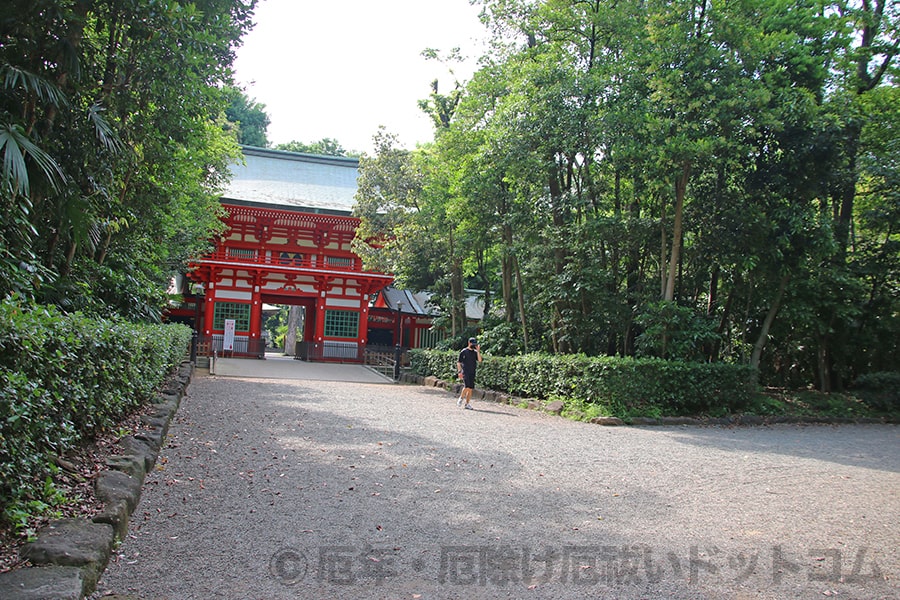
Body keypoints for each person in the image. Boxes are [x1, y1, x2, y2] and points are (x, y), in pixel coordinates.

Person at [456, 337, 482, 410]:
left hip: (472, 372)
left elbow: (480, 360)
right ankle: (461, 398)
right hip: (465, 371)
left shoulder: (475, 352)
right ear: (469, 343)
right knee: (466, 386)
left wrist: (478, 351)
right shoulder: (464, 351)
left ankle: (467, 404)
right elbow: (459, 362)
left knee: (470, 388)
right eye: (472, 344)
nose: (473, 345)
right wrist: (459, 372)